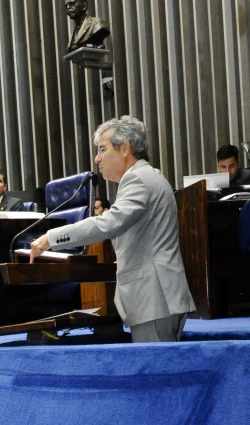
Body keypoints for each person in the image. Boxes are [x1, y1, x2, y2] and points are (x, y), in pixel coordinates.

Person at [30, 115, 196, 343]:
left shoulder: (139, 179)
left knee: (155, 375)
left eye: (102, 149)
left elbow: (109, 224)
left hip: (154, 299)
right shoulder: (143, 177)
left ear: (125, 148)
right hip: (154, 298)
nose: (97, 158)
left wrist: (50, 238)